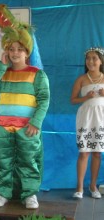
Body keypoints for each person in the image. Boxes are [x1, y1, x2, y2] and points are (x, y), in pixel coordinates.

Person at [0, 4, 50, 209]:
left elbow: (44, 99)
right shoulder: (3, 72)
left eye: (19, 49)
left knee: (28, 161)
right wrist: (0, 65)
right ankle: (2, 192)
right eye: (11, 49)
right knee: (3, 161)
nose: (15, 52)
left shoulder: (37, 74)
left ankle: (29, 193)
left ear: (27, 51)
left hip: (27, 128)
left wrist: (36, 122)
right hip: (3, 126)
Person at [71, 47, 104, 199]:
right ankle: (79, 188)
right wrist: (86, 97)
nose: (90, 61)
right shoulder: (81, 79)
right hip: (86, 119)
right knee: (84, 152)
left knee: (97, 153)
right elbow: (73, 100)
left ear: (101, 61)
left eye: (94, 58)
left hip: (101, 120)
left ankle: (93, 186)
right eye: (88, 58)